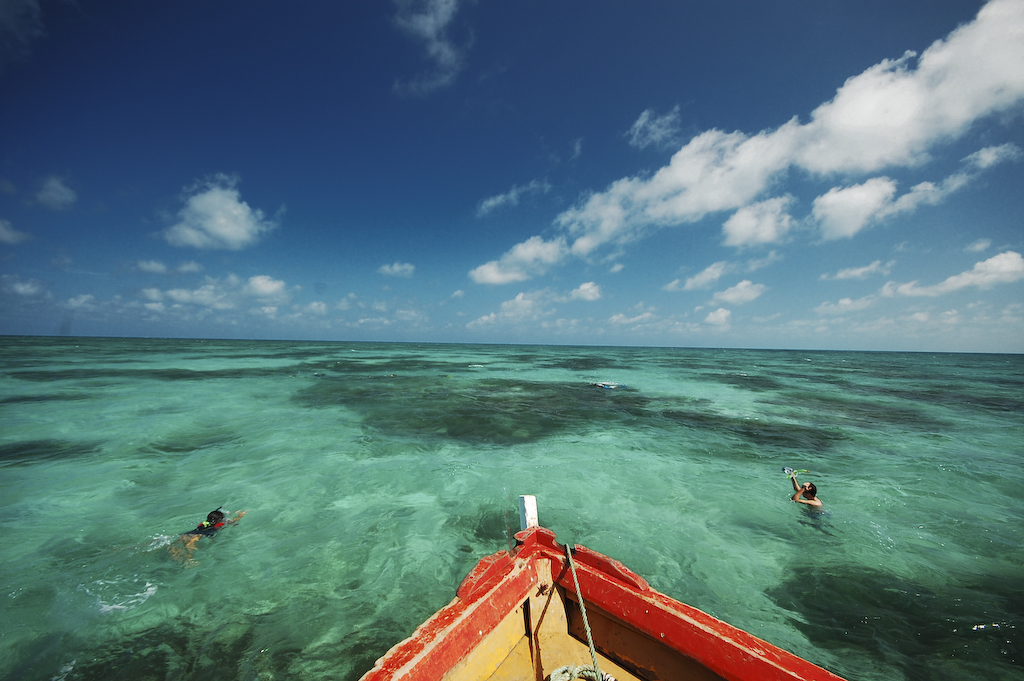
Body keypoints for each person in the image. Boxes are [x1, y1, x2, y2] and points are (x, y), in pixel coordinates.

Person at [169, 507, 246, 565]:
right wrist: (240, 516)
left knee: (180, 540)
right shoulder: (220, 524)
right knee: (190, 544)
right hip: (199, 535)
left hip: (191, 532)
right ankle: (189, 559)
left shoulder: (205, 523)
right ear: (220, 520)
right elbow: (234, 522)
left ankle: (175, 552)